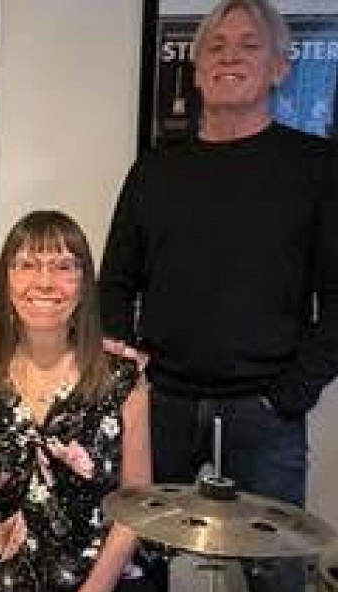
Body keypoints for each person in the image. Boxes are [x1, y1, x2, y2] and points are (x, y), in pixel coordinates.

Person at [98, 1, 338, 590]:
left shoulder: (316, 168)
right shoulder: (154, 171)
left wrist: (292, 394)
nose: (230, 56)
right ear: (198, 69)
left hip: (265, 412)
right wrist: (129, 377)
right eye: (217, 46)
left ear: (280, 66)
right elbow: (115, 282)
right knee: (136, 568)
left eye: (249, 45)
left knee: (276, 578)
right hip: (163, 406)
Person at [0, 211, 154, 592]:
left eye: (63, 267)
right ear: (6, 280)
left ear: (84, 284)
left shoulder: (123, 379)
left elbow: (136, 502)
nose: (44, 282)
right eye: (27, 265)